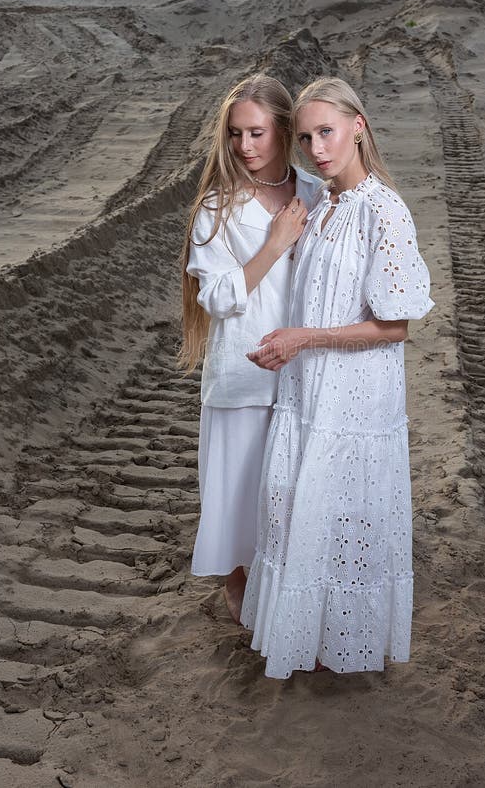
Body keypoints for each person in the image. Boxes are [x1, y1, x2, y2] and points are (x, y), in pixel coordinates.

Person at [241, 76, 435, 678]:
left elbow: (396, 326)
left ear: (359, 126)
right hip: (308, 390)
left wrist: (307, 340)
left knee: (345, 513)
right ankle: (305, 637)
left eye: (327, 131)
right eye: (305, 138)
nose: (317, 148)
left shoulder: (386, 211)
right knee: (300, 508)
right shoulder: (323, 204)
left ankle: (341, 646)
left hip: (355, 399)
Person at [179, 74, 323, 623]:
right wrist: (274, 244)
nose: (246, 146)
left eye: (258, 132)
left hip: (306, 371)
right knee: (238, 494)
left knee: (288, 494)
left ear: (285, 130)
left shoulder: (316, 192)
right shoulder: (218, 206)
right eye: (237, 134)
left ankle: (286, 586)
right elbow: (215, 297)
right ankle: (237, 585)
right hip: (242, 372)